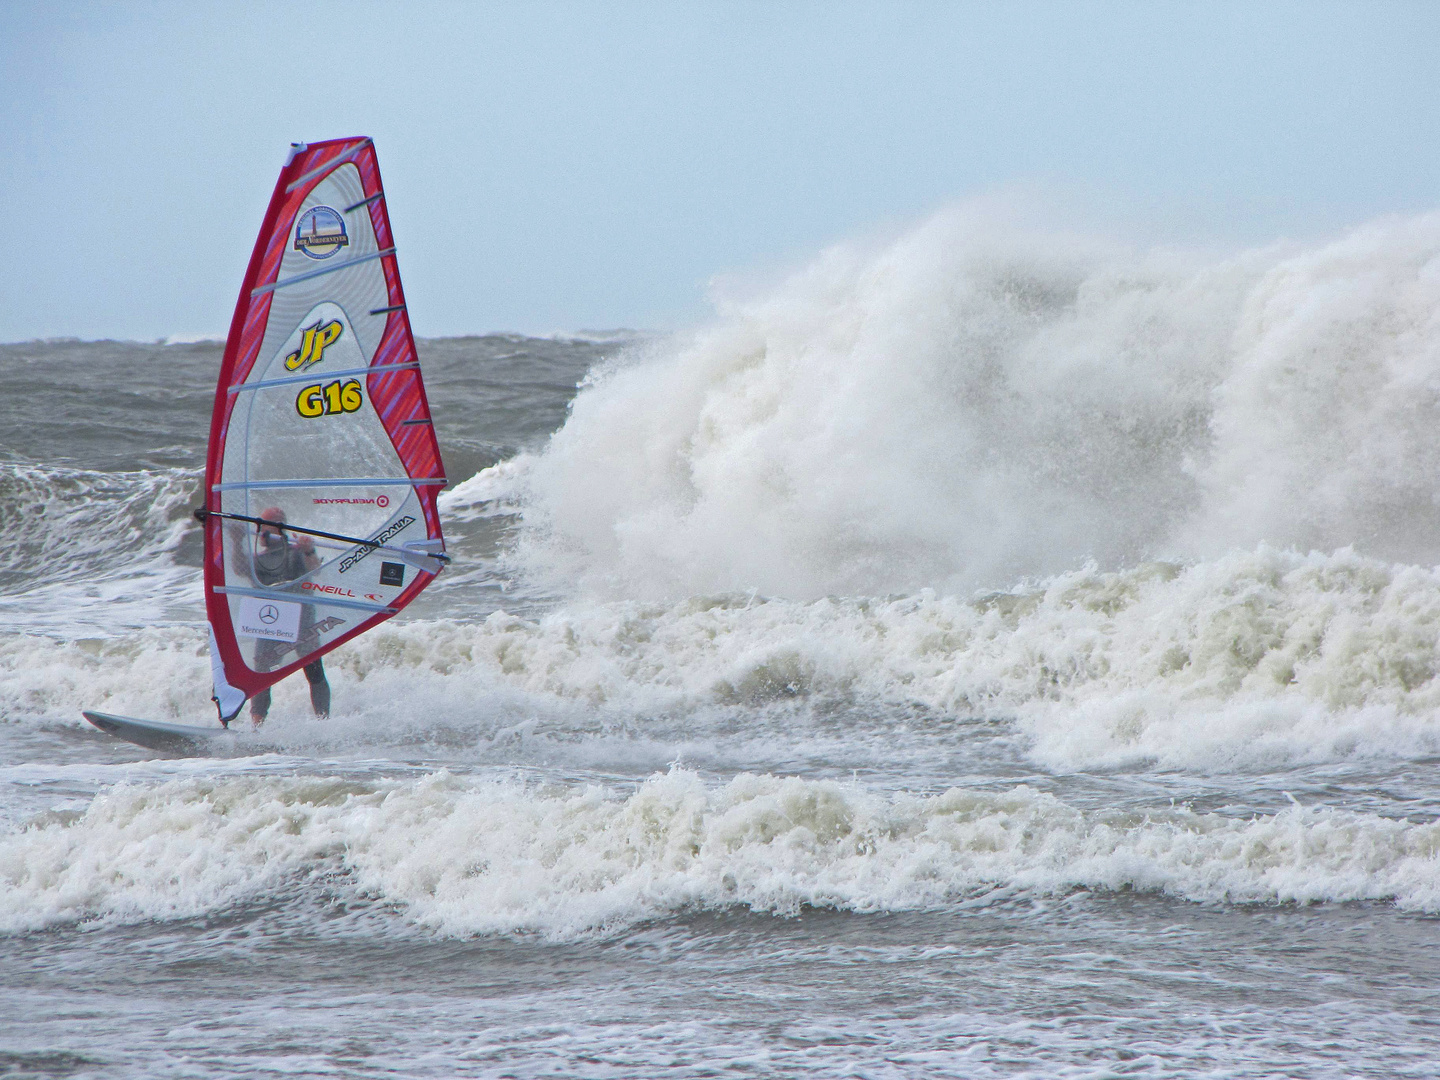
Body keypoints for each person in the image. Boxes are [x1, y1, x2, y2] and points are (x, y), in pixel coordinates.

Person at [236, 506, 331, 726]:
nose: (259, 533)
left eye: (264, 528)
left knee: (314, 670)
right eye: (258, 528)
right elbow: (239, 568)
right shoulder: (259, 559)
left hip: (301, 619)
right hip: (271, 621)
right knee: (261, 671)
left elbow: (315, 570)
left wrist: (308, 551)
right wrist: (235, 538)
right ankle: (257, 727)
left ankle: (324, 723)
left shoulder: (297, 552)